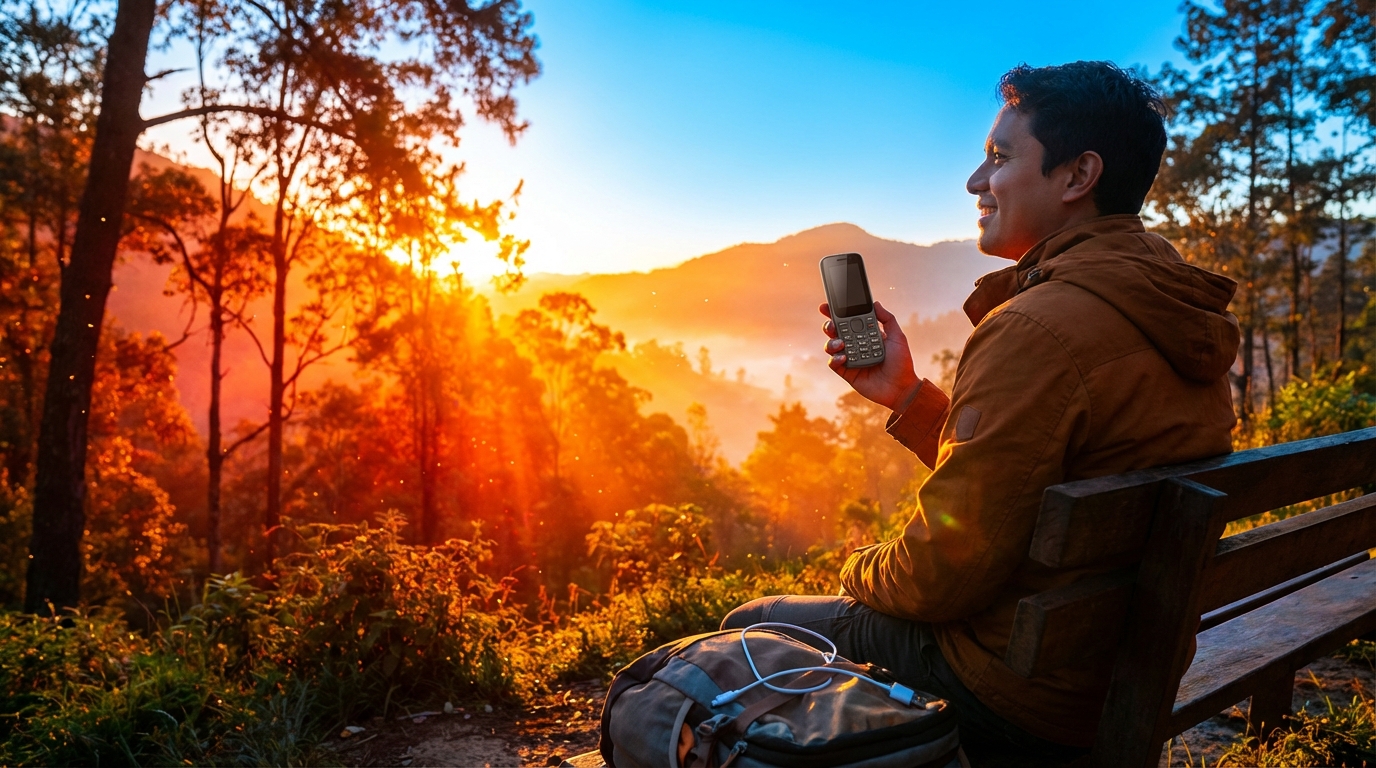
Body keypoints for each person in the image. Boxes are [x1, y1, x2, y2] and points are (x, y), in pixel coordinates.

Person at [720, 61, 1240, 767]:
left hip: (1013, 695)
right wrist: (907, 396)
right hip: (1113, 675)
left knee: (754, 628)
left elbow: (940, 575)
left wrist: (856, 572)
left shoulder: (1037, 327)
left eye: (999, 157)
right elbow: (1032, 485)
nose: (974, 182)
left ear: (1077, 176)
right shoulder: (1174, 316)